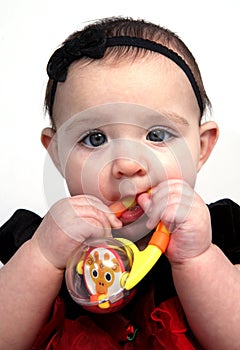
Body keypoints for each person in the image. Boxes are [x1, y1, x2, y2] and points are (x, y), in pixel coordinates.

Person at [0, 16, 240, 350]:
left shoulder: (222, 236)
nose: (127, 165)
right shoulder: (38, 243)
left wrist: (198, 259)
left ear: (201, 147)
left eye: (157, 135)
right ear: (56, 153)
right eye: (95, 138)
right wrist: (42, 257)